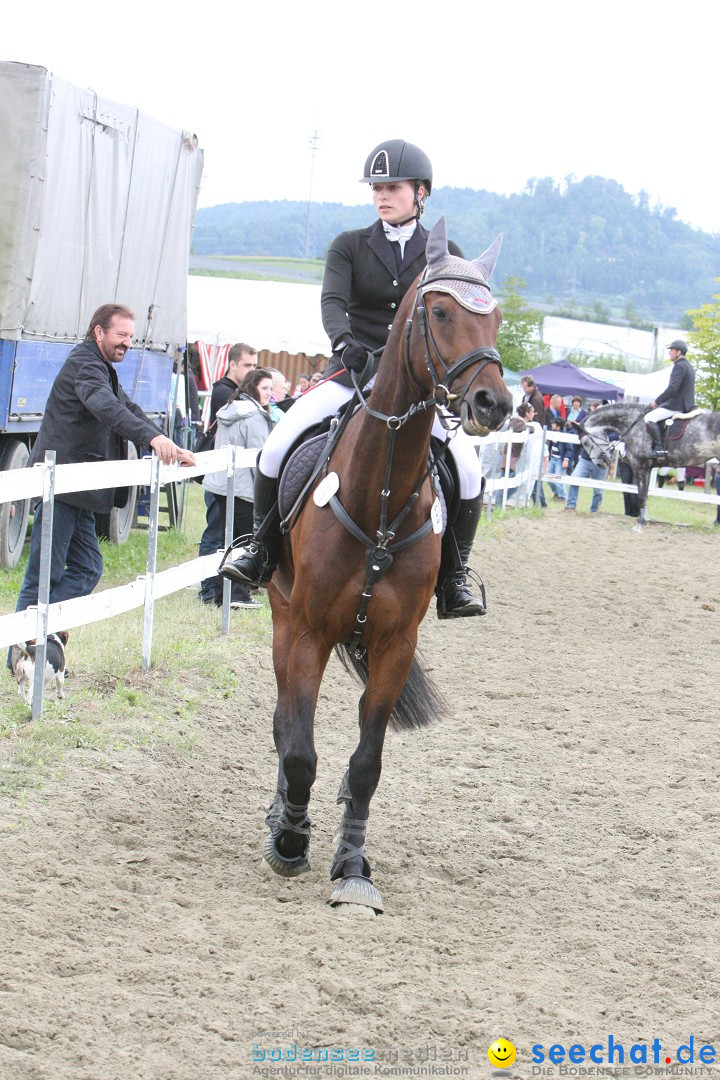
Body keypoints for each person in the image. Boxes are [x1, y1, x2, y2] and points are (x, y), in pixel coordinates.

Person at [223, 138, 489, 618]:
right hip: (351, 374)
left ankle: (453, 578)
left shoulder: (446, 253)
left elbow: (461, 319)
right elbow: (332, 302)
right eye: (376, 188)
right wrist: (345, 343)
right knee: (278, 446)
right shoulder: (348, 245)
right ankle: (259, 548)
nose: (382, 196)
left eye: (393, 187)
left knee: (468, 472)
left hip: (416, 391)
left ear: (421, 193)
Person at [11, 304, 194, 657]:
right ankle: (22, 646)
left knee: (89, 567)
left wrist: (165, 442)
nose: (127, 342)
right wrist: (151, 440)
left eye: (130, 336)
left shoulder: (102, 368)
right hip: (61, 487)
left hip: (79, 489)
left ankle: (37, 630)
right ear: (99, 332)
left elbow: (127, 408)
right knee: (42, 576)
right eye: (120, 335)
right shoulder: (86, 366)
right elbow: (106, 408)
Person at [199, 368, 275, 609]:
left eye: (271, 389)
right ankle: (237, 595)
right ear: (253, 388)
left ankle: (220, 592)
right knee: (243, 542)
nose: (270, 393)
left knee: (223, 539)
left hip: (220, 484)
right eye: (265, 388)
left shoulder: (229, 410)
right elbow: (259, 457)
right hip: (243, 488)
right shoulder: (254, 416)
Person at [644, 339, 695, 460]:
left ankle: (659, 448)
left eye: (671, 350)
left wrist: (657, 401)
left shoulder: (680, 366)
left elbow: (672, 388)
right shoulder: (688, 366)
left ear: (678, 352)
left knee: (649, 418)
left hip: (677, 405)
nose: (669, 353)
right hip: (686, 404)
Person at [564, 402, 608, 512]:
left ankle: (594, 511)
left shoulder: (609, 425)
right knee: (574, 479)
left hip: (601, 460)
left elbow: (616, 435)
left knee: (598, 489)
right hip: (586, 458)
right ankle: (571, 506)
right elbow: (579, 428)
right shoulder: (589, 421)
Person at [208, 343, 258, 429]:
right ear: (232, 365)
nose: (252, 370)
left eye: (254, 366)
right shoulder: (223, 391)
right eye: (247, 365)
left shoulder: (236, 389)